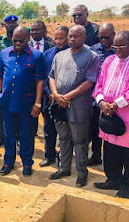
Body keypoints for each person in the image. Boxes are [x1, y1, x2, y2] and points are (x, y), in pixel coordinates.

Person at [92, 31, 129, 199]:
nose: (118, 49)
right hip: (108, 113)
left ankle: (127, 186)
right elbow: (99, 84)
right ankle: (112, 180)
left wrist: (116, 104)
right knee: (110, 150)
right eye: (115, 46)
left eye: (122, 45)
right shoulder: (109, 60)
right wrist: (102, 102)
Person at [48, 25, 99, 187]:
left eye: (76, 36)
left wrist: (67, 97)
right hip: (59, 106)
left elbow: (90, 81)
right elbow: (51, 76)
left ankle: (82, 172)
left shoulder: (91, 56)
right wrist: (56, 94)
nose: (72, 39)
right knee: (63, 138)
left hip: (79, 107)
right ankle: (64, 168)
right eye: (70, 36)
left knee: (80, 141)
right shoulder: (60, 55)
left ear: (84, 38)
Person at [0, 26, 45, 177]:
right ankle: (8, 162)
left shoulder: (36, 56)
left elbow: (39, 81)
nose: (17, 43)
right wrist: (0, 94)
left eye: (21, 41)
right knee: (9, 134)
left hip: (27, 104)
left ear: (28, 38)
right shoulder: (4, 53)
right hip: (7, 102)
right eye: (14, 40)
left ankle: (26, 163)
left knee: (26, 135)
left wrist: (37, 103)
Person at [40, 25, 70, 167]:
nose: (58, 42)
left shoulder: (73, 53)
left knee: (66, 133)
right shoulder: (47, 54)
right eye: (56, 38)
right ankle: (49, 155)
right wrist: (50, 93)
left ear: (68, 38)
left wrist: (62, 96)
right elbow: (45, 77)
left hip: (67, 100)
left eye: (62, 38)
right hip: (50, 99)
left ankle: (64, 159)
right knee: (49, 130)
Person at [88, 23, 116, 166]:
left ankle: (113, 161)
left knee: (112, 128)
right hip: (95, 97)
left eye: (106, 37)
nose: (103, 40)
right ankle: (96, 155)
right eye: (101, 38)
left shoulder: (118, 51)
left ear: (113, 35)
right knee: (94, 128)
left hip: (113, 99)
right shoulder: (93, 50)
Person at [0, 15, 19, 148]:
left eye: (14, 23)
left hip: (18, 82)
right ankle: (2, 136)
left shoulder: (22, 39)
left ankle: (17, 138)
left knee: (17, 111)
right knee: (0, 111)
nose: (11, 25)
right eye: (8, 23)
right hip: (2, 82)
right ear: (5, 25)